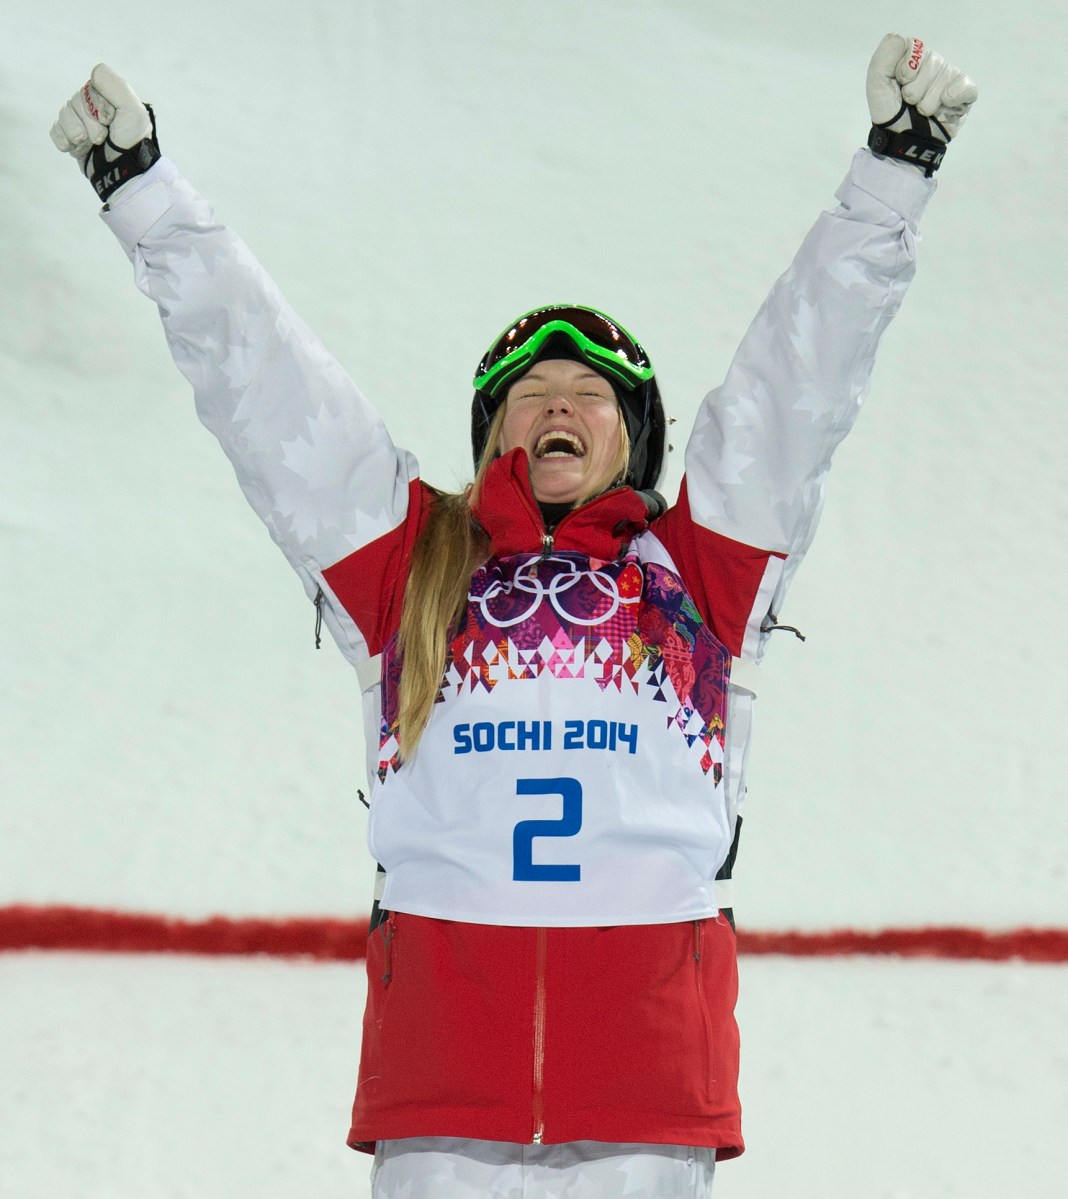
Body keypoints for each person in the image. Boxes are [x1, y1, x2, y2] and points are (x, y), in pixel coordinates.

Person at [51, 33, 977, 1198]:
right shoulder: (407, 567)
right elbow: (271, 390)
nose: (559, 405)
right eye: (531, 395)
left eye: (590, 395)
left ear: (631, 438)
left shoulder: (702, 575)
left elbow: (800, 380)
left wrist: (894, 170)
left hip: (645, 1090)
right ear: (493, 433)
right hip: (444, 1092)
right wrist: (144, 194)